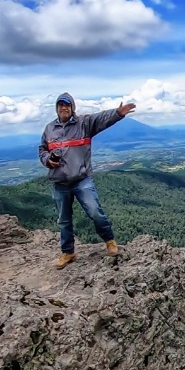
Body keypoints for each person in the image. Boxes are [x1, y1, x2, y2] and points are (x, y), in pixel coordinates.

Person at [38, 92, 137, 269]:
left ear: (72, 107)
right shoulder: (49, 129)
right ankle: (68, 252)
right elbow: (42, 150)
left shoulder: (84, 123)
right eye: (60, 105)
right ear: (56, 108)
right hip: (59, 183)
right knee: (63, 220)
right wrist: (47, 159)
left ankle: (110, 241)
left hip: (81, 180)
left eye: (67, 105)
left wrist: (118, 113)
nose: (63, 108)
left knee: (95, 211)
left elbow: (102, 118)